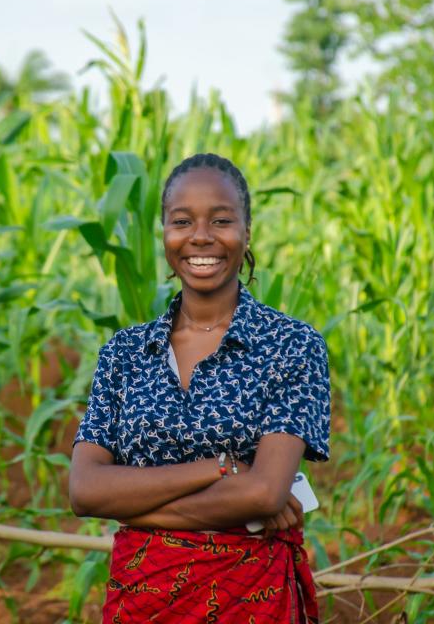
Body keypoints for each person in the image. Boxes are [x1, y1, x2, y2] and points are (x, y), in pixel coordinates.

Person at [69, 153, 330, 623]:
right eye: (182, 221)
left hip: (250, 597)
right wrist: (221, 468)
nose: (201, 237)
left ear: (247, 232)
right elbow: (85, 492)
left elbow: (265, 496)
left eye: (222, 220)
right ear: (165, 235)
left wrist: (130, 509)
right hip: (141, 598)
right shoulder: (125, 353)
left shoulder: (291, 346)